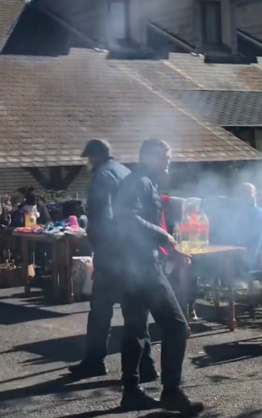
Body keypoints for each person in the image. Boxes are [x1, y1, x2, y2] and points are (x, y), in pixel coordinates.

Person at [113, 139, 202, 414]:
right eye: (166, 157)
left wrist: (170, 251)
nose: (168, 162)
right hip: (141, 268)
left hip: (129, 267)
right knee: (177, 326)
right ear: (150, 157)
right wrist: (165, 236)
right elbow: (128, 219)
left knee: (136, 331)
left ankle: (131, 392)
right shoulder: (138, 182)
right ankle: (171, 392)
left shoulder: (143, 182)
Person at [69, 139, 158, 382]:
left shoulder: (103, 175)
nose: (88, 163)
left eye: (89, 158)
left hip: (112, 253)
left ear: (94, 157)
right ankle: (147, 365)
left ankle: (95, 361)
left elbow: (101, 215)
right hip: (134, 252)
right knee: (135, 313)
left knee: (100, 311)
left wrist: (99, 244)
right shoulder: (126, 171)